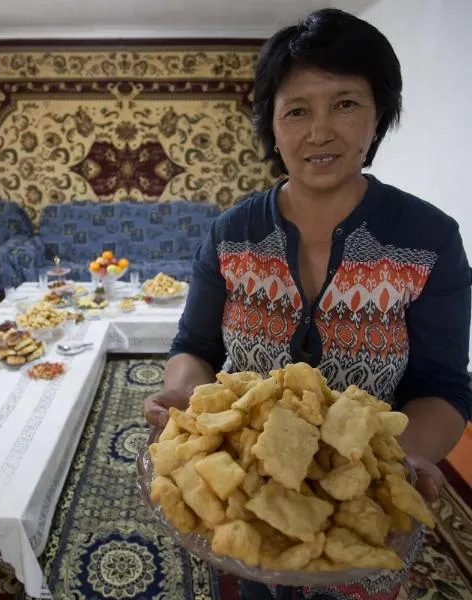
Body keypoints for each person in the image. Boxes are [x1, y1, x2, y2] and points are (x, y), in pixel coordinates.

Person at [143, 7, 472, 600]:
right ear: (272, 126)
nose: (320, 131)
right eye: (297, 110)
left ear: (380, 116)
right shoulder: (230, 234)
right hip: (249, 495)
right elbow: (194, 348)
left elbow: (445, 386)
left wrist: (396, 464)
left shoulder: (428, 240)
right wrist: (183, 397)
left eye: (345, 103)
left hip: (362, 506)